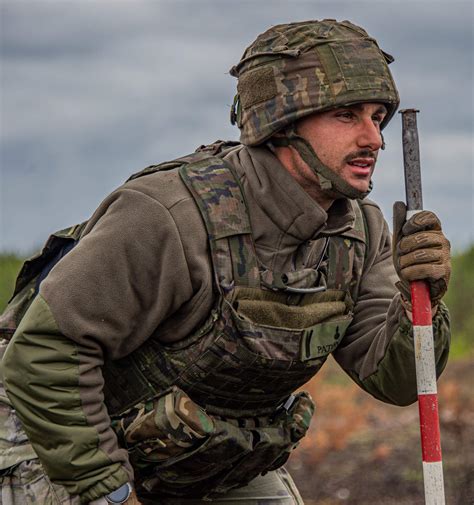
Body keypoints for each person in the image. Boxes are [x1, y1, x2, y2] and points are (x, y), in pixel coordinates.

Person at [0, 19, 451, 505]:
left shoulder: (361, 231)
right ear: (282, 122)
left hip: (191, 452)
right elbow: (42, 356)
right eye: (346, 115)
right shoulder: (169, 216)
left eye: (377, 116)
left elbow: (399, 379)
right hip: (57, 435)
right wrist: (111, 493)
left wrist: (416, 304)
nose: (374, 139)